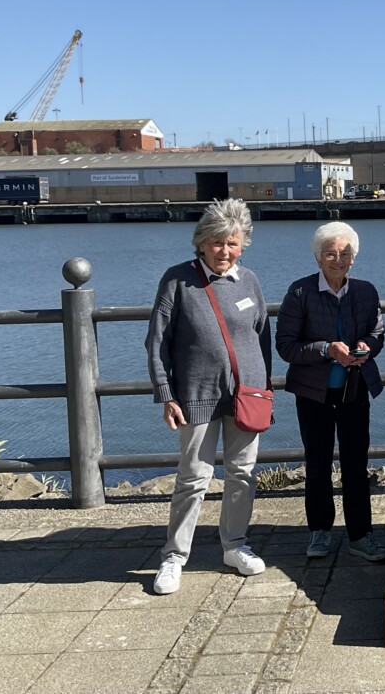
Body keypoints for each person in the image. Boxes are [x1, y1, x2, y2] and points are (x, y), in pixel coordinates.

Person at [146, 198, 272, 595]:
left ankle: (235, 545)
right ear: (201, 242)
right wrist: (166, 394)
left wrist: (264, 389)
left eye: (233, 243)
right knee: (193, 477)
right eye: (217, 242)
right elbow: (157, 343)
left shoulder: (249, 280)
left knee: (243, 473)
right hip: (196, 395)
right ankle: (174, 556)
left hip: (246, 396)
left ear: (243, 245)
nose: (225, 251)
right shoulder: (178, 280)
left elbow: (262, 337)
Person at [276, 222, 385, 563]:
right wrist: (327, 349)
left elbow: (378, 332)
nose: (338, 260)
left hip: (354, 390)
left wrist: (366, 346)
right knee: (317, 463)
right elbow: (286, 346)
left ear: (354, 258)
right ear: (318, 257)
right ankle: (320, 530)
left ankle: (361, 534)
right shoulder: (300, 292)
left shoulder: (366, 291)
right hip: (314, 393)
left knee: (356, 464)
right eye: (330, 253)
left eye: (345, 253)